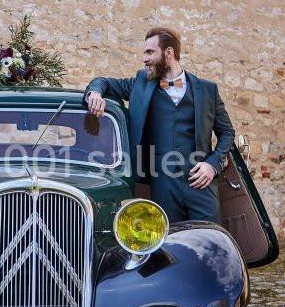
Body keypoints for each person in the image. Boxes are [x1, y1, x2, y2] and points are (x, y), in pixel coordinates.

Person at [84, 27, 234, 223]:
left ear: (169, 53)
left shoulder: (207, 89)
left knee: (211, 242)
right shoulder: (140, 83)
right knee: (167, 245)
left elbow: (227, 132)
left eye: (150, 52)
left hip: (201, 184)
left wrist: (212, 165)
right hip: (162, 185)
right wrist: (94, 93)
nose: (145, 59)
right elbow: (103, 82)